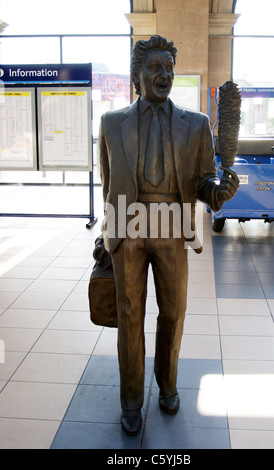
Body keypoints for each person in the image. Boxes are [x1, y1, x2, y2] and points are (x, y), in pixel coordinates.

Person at [99, 35, 239, 435]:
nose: (164, 75)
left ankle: (168, 383)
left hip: (172, 227)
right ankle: (130, 398)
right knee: (130, 316)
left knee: (173, 312)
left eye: (169, 68)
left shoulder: (196, 126)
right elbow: (107, 184)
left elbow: (204, 183)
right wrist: (105, 235)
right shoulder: (111, 123)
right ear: (137, 75)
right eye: (155, 67)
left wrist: (219, 193)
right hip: (129, 227)